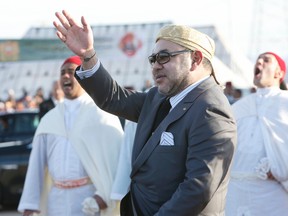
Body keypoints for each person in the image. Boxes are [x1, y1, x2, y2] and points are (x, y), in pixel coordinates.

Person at [53, 10, 237, 216]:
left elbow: (198, 188)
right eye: (153, 59)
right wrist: (87, 55)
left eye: (164, 57)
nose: (155, 66)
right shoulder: (159, 98)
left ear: (195, 59)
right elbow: (114, 99)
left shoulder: (211, 109)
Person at [18, 56, 124, 216]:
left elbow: (117, 160)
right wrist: (30, 205)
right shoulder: (49, 119)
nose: (66, 76)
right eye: (62, 73)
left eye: (71, 72)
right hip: (56, 201)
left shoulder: (101, 115)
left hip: (89, 199)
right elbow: (36, 165)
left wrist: (103, 195)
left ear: (83, 77)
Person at [225, 52, 288, 216]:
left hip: (273, 193)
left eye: (266, 60)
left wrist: (281, 166)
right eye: (258, 59)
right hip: (236, 191)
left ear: (279, 73)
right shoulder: (239, 106)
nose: (259, 61)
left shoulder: (285, 102)